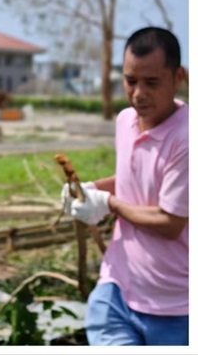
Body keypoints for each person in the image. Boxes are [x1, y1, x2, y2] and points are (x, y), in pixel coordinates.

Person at [62, 27, 187, 346]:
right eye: (131, 81)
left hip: (176, 305)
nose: (138, 94)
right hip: (118, 288)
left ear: (178, 78)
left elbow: (170, 222)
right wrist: (90, 189)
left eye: (152, 83)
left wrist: (109, 203)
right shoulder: (125, 121)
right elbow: (136, 181)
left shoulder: (186, 140)